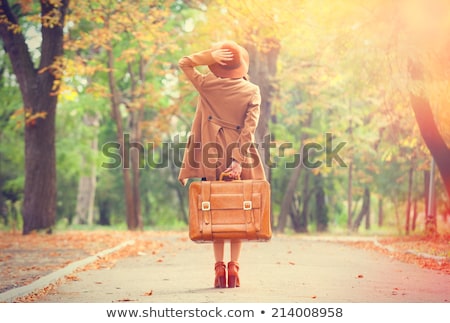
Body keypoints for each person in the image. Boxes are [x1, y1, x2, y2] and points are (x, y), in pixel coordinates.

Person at [178, 40, 266, 288]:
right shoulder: (252, 91)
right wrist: (238, 161)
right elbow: (250, 129)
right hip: (241, 155)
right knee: (238, 211)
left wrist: (208, 56)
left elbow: (184, 62)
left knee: (217, 211)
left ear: (217, 66)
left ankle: (218, 269)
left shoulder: (206, 85)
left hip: (211, 155)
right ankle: (234, 269)